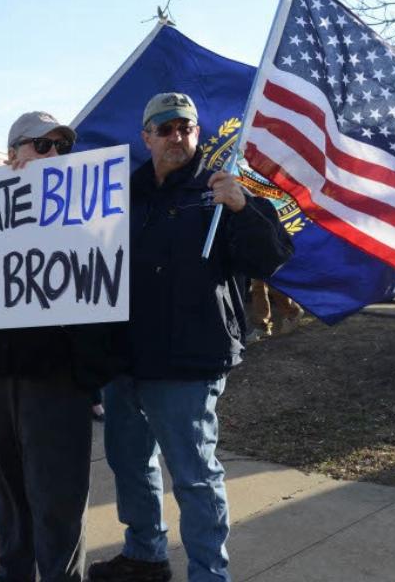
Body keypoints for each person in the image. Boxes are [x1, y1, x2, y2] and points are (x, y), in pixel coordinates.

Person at [88, 93, 292, 582]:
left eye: (185, 128)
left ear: (197, 134)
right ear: (146, 137)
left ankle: (208, 573)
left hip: (187, 360)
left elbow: (273, 257)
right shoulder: (119, 192)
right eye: (165, 128)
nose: (176, 137)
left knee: (195, 477)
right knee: (130, 463)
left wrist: (243, 209)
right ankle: (145, 555)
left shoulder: (221, 191)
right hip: (124, 357)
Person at [0, 111, 123, 582]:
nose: (55, 154)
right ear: (13, 154)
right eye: (43, 145)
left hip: (55, 379)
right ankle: (12, 574)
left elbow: (102, 286)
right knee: (8, 492)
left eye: (62, 147)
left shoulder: (88, 211)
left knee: (58, 497)